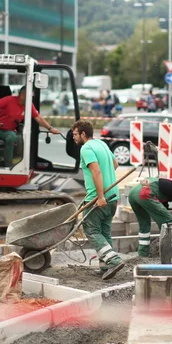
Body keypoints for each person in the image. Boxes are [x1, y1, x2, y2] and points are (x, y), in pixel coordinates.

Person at [72, 120, 125, 280]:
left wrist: (100, 196)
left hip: (98, 197)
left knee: (92, 231)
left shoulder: (86, 148)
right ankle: (105, 266)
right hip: (113, 196)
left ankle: (114, 260)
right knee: (104, 231)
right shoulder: (101, 144)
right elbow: (114, 164)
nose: (73, 138)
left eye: (75, 134)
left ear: (83, 134)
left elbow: (95, 171)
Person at [0, 87, 59, 167]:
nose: (32, 99)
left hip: (9, 131)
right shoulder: (9, 100)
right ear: (22, 95)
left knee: (11, 137)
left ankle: (7, 163)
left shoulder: (29, 105)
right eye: (31, 96)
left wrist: (50, 128)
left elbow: (38, 118)